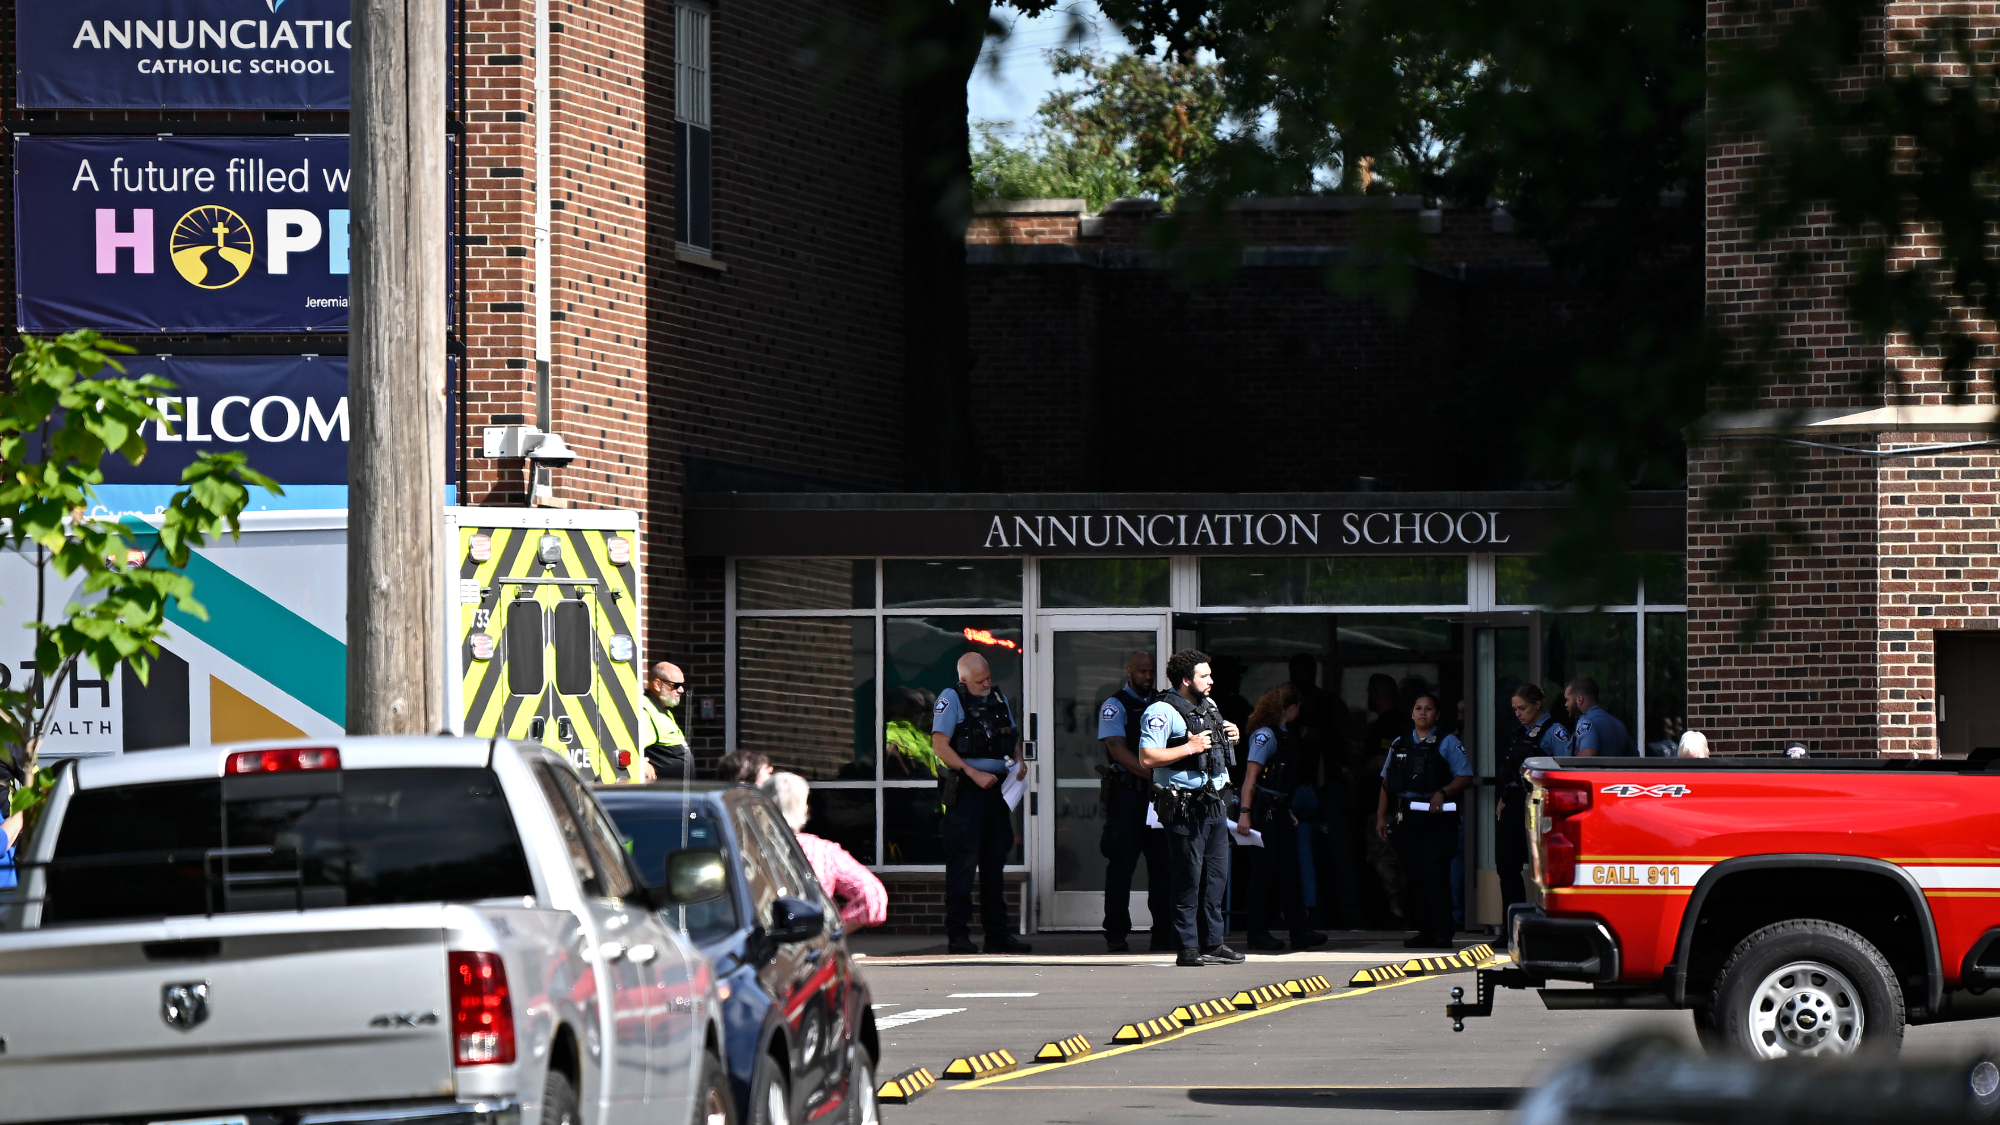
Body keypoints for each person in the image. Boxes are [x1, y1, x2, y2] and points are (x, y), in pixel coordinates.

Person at [1139, 648, 1243, 968]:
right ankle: (1186, 946)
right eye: (1204, 676)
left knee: (1216, 877)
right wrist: (1189, 747)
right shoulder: (1161, 711)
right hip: (1184, 805)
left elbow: (1216, 743)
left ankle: (1213, 942)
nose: (1211, 680)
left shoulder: (1207, 705)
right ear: (1186, 680)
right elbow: (1147, 757)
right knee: (1188, 876)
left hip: (1213, 803)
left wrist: (1233, 735)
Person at [931, 652, 1032, 954]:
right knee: (963, 863)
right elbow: (939, 745)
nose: (987, 683)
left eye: (989, 677)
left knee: (994, 863)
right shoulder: (952, 699)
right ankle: (958, 935)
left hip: (998, 791)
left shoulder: (997, 698)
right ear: (964, 680)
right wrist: (973, 773)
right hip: (967, 791)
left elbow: (1009, 734)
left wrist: (1018, 759)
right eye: (980, 680)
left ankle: (997, 934)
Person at [1374, 692, 1471, 949]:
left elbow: (1464, 776)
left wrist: (1443, 793)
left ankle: (1443, 932)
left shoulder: (1448, 742)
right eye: (1418, 708)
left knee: (1436, 874)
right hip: (1407, 817)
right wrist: (1381, 816)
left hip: (1437, 817)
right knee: (1415, 875)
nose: (1422, 713)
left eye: (1428, 709)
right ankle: (1424, 931)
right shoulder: (1399, 743)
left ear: (1437, 714)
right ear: (1412, 713)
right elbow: (1386, 783)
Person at [1238, 684, 1327, 951]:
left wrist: (1287, 809)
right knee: (1263, 871)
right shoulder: (1266, 735)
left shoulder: (1286, 734)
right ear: (1291, 708)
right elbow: (1251, 777)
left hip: (1279, 809)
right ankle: (1257, 930)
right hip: (1263, 810)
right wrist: (1244, 813)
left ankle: (1299, 929)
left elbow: (1284, 779)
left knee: (1290, 870)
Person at [1097, 650, 1172, 953]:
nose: (1147, 676)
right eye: (1141, 671)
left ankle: (1165, 933)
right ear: (1129, 670)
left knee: (1163, 868)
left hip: (1157, 799)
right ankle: (1116, 934)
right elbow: (1118, 750)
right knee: (1121, 867)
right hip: (1129, 797)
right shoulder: (1115, 706)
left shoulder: (1163, 704)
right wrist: (1152, 774)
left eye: (1151, 671)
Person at [763, 771, 888, 931]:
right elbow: (872, 897)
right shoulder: (823, 851)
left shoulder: (744, 847)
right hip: (813, 946)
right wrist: (834, 933)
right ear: (804, 810)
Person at [1496, 683, 1570, 909]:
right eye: (1515, 709)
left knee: (1549, 866)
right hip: (1516, 801)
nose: (1518, 714)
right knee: (1506, 864)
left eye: (1523, 708)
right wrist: (1504, 798)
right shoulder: (1522, 733)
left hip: (1542, 802)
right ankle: (1511, 925)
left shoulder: (1555, 731)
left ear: (1538, 704)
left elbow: (1565, 771)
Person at [640, 661, 692, 780]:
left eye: (682, 685)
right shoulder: (645, 709)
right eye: (676, 685)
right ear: (657, 684)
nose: (681, 690)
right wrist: (640, 763)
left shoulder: (662, 710)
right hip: (662, 793)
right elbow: (633, 745)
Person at [1566, 677, 1634, 757]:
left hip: (1595, 770)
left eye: (1568, 699)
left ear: (1580, 699)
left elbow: (1587, 757)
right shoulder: (1619, 724)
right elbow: (1635, 759)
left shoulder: (1587, 722)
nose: (1566, 704)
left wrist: (1573, 761)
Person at [884, 687, 942, 778]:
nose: (924, 714)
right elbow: (891, 755)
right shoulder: (893, 731)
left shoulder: (919, 734)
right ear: (905, 708)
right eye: (919, 709)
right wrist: (914, 778)